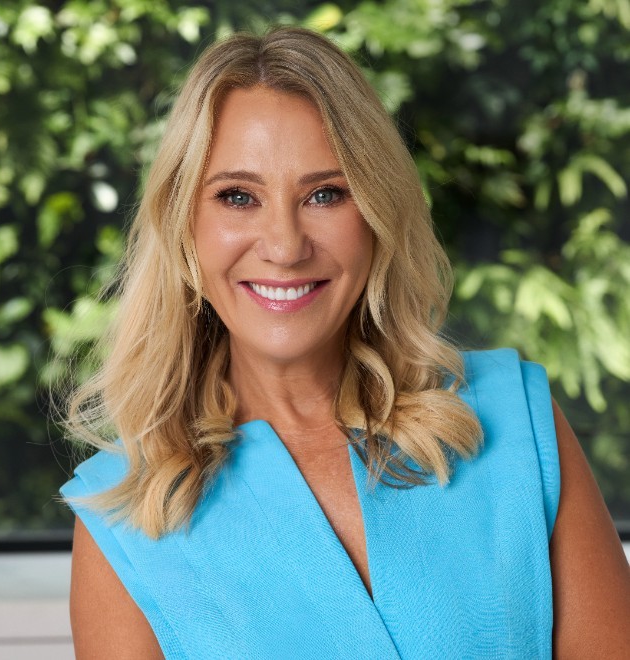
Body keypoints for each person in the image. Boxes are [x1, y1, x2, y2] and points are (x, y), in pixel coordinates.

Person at [60, 26, 630, 659]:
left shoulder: (515, 421)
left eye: (325, 194)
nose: (284, 246)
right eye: (238, 196)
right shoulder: (124, 519)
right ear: (183, 225)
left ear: (377, 216)